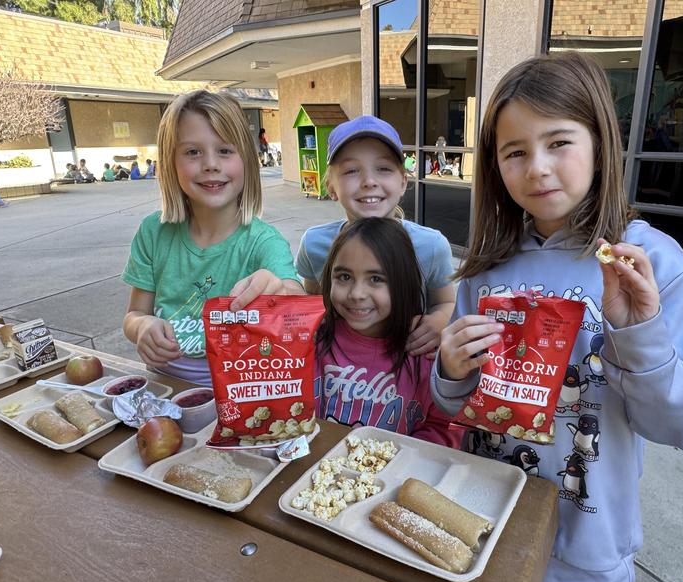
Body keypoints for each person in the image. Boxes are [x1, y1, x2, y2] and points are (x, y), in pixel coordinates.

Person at [431, 52, 683, 582]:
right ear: (495, 167)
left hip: (585, 558)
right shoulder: (486, 266)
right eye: (515, 152)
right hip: (480, 526)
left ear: (599, 144)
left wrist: (640, 335)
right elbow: (458, 407)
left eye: (559, 142)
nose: (538, 167)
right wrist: (450, 371)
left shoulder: (650, 263)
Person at [121, 90, 304, 385]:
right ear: (171, 163)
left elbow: (294, 296)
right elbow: (134, 314)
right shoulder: (153, 233)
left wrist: (279, 293)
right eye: (193, 152)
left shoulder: (264, 242)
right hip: (165, 385)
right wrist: (142, 326)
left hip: (240, 391)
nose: (211, 164)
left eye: (225, 150)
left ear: (246, 160)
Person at [295, 115, 456, 357]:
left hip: (408, 374)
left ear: (403, 182)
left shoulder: (431, 246)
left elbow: (447, 302)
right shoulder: (315, 244)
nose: (369, 181)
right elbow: (314, 300)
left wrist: (440, 320)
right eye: (351, 170)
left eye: (383, 168)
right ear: (330, 187)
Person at [316, 217, 461, 447]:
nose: (357, 293)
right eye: (344, 277)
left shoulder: (425, 351)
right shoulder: (312, 341)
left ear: (403, 283)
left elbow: (443, 427)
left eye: (375, 279)